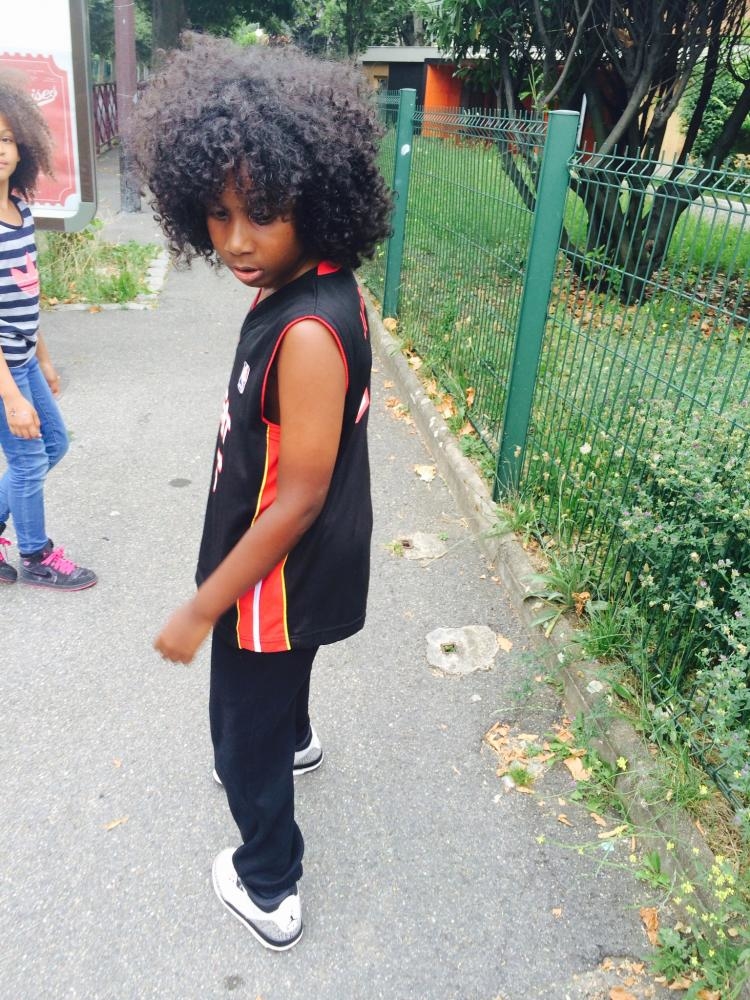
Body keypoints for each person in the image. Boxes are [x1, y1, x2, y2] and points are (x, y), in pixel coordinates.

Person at [130, 36, 392, 950]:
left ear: (315, 195)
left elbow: (297, 499)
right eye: (217, 212)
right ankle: (297, 737)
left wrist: (204, 606)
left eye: (264, 212)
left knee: (239, 732)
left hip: (273, 573)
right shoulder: (311, 282)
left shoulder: (309, 332)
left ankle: (268, 882)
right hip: (306, 565)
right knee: (283, 685)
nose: (237, 240)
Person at [0, 76, 96, 590]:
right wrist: (13, 397)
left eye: (6, 138)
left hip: (22, 359)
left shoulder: (19, 208)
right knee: (28, 458)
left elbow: (27, 294)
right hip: (2, 372)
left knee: (53, 444)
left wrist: (43, 358)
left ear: (22, 147)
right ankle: (36, 555)